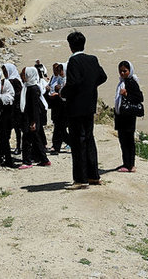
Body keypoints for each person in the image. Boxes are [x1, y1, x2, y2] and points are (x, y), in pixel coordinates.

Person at [60, 31, 108, 188]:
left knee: (77, 141)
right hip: (90, 106)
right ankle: (94, 176)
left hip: (76, 107)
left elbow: (73, 83)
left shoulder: (73, 61)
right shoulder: (92, 59)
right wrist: (89, 88)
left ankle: (80, 179)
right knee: (89, 138)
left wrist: (62, 93)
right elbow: (102, 77)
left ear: (70, 46)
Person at [114, 60, 144, 173]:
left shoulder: (131, 82)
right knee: (123, 140)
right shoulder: (122, 82)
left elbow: (139, 98)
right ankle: (126, 163)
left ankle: (130, 165)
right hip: (122, 116)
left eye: (125, 71)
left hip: (128, 116)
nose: (122, 73)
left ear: (130, 71)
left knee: (128, 140)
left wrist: (127, 94)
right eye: (120, 71)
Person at [19, 66, 51, 169]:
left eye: (25, 74)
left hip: (31, 118)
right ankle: (44, 160)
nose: (23, 76)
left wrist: (33, 122)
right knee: (36, 139)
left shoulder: (33, 88)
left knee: (27, 140)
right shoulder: (28, 87)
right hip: (29, 118)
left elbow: (34, 107)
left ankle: (27, 162)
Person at [0, 65, 18, 168]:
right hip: (6, 119)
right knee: (2, 139)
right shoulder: (5, 84)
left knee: (5, 139)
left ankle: (8, 159)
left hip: (8, 119)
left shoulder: (10, 87)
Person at [48, 62, 69, 155]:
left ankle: (57, 147)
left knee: (61, 128)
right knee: (58, 128)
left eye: (61, 70)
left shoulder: (68, 80)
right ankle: (56, 147)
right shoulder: (59, 79)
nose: (60, 72)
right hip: (58, 106)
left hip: (65, 107)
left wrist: (60, 91)